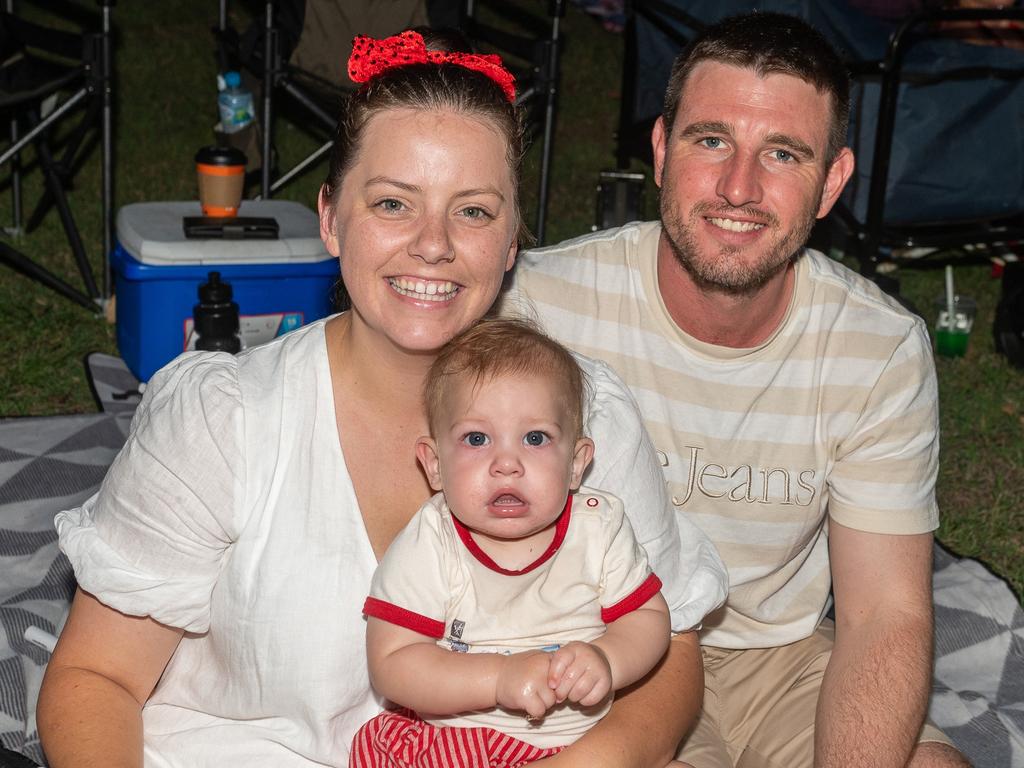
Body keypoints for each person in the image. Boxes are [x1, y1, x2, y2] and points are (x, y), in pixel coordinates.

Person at [36, 29, 726, 768]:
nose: (432, 244)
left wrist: (599, 759)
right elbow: (95, 677)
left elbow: (673, 644)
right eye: (395, 203)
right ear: (332, 218)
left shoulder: (586, 418)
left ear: (513, 242)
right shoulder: (224, 423)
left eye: (473, 211)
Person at [500, 12, 970, 768]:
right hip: (594, 651)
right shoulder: (542, 308)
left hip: (779, 657)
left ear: (832, 183)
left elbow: (885, 613)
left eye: (782, 153)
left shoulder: (877, 348)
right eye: (711, 140)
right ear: (660, 150)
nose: (738, 187)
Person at [352, 318, 680, 767]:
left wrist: (608, 659)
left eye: (535, 438)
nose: (507, 464)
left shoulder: (597, 527)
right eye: (476, 438)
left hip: (585, 746)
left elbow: (647, 617)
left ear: (577, 463)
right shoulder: (433, 541)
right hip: (459, 744)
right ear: (433, 464)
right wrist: (497, 678)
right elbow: (392, 662)